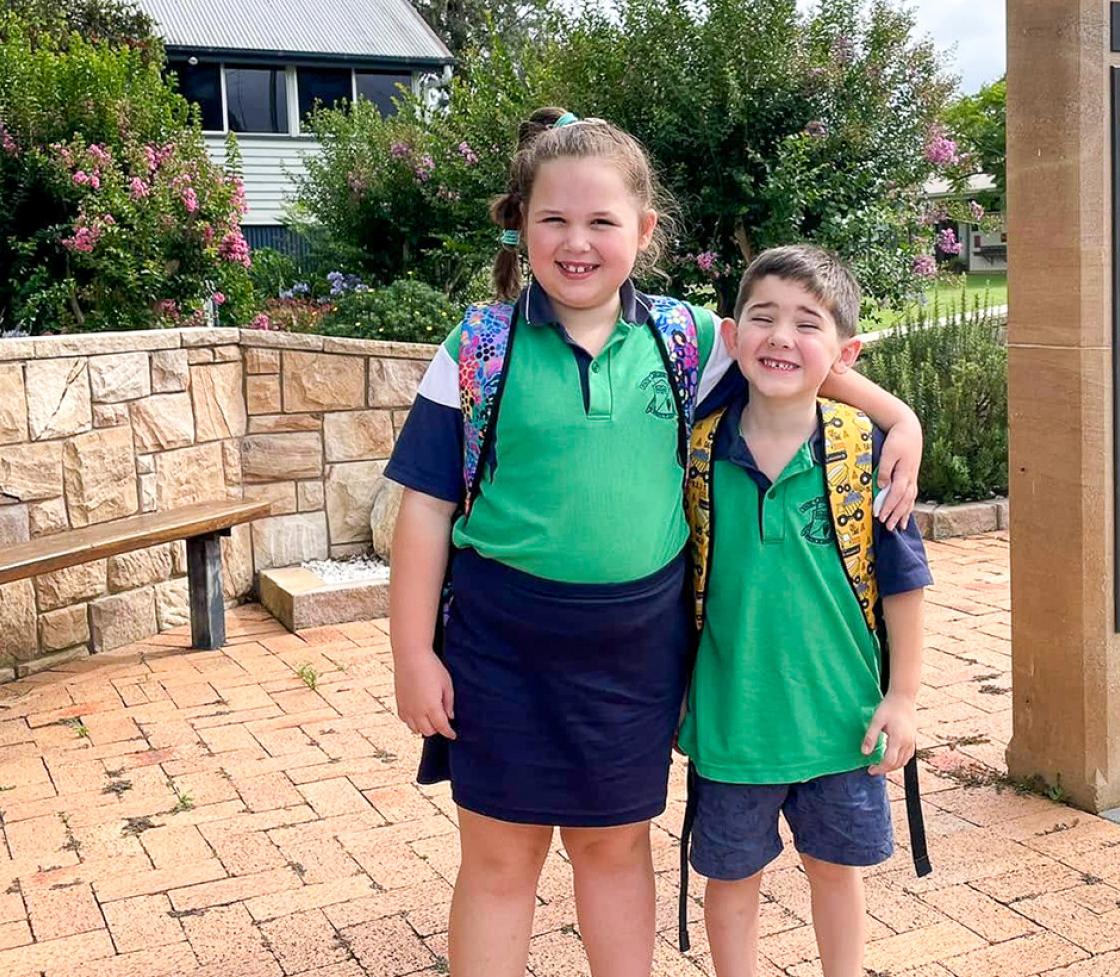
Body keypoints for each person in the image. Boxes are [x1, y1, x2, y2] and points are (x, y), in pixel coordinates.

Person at [383, 108, 923, 977]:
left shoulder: (688, 340)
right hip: (499, 647)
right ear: (521, 221)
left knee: (614, 850)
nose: (576, 242)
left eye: (602, 222)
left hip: (636, 654)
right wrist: (413, 651)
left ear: (644, 229)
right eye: (553, 219)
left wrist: (900, 416)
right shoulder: (477, 348)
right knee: (498, 860)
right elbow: (425, 509)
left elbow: (795, 359)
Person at [678, 245, 933, 977]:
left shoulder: (868, 453)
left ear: (845, 352)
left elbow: (905, 583)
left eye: (807, 323)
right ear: (732, 336)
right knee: (728, 879)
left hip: (842, 723)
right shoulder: (697, 452)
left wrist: (903, 697)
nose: (782, 337)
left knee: (835, 871)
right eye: (763, 318)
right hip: (732, 727)